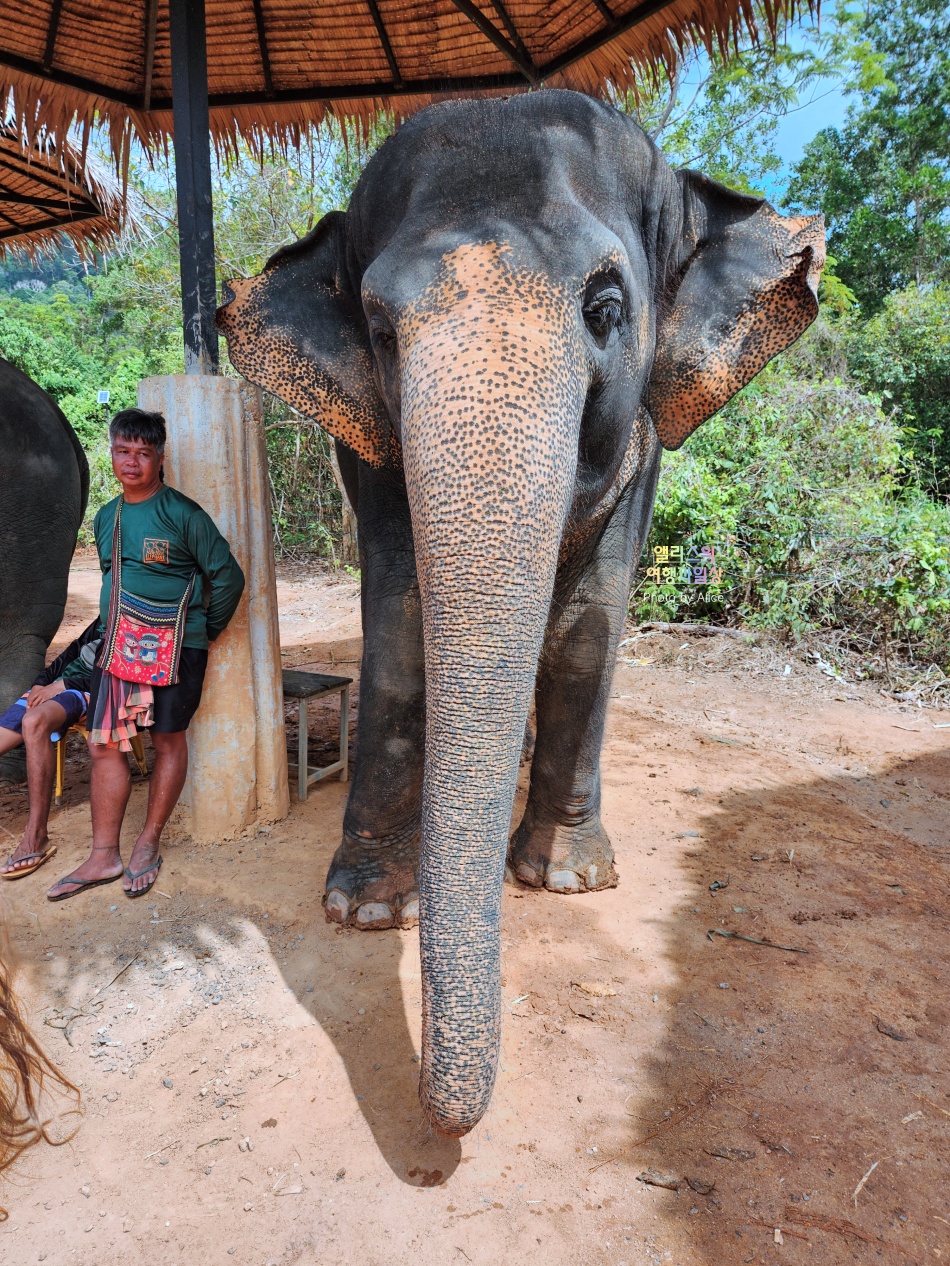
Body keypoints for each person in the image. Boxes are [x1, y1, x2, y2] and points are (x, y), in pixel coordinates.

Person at [46, 409, 245, 902]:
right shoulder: (107, 517)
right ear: (111, 453)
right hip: (119, 650)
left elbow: (228, 578)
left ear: (160, 457)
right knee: (103, 744)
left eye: (143, 453)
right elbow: (113, 578)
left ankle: (147, 843)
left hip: (177, 649)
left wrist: (200, 632)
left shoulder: (183, 514)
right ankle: (103, 854)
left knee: (167, 740)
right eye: (122, 451)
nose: (131, 462)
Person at [0, 620, 101, 879]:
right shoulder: (106, 610)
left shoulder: (144, 612)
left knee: (33, 721)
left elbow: (124, 676)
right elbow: (73, 650)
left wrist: (65, 685)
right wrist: (41, 682)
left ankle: (36, 837)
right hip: (54, 689)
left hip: (85, 692)